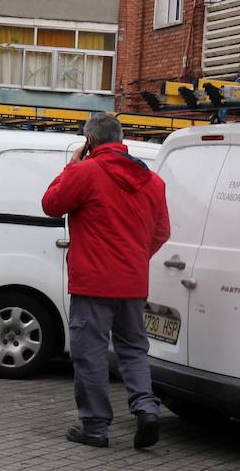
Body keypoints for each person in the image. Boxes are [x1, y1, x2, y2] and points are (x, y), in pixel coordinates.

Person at [42, 113, 171, 449]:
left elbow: (52, 204)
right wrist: (137, 258)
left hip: (93, 283)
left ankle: (95, 427)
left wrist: (71, 166)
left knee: (90, 353)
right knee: (133, 350)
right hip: (132, 282)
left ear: (91, 142)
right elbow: (162, 232)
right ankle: (146, 409)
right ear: (121, 138)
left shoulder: (85, 173)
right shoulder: (153, 181)